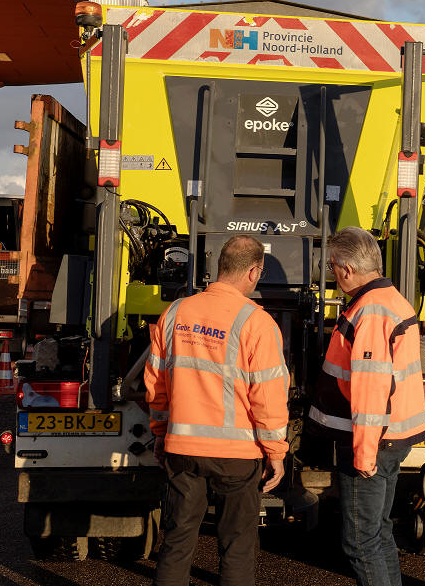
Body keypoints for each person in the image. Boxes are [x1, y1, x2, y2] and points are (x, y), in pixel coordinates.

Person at [145, 235, 290, 586]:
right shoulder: (258, 323)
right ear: (255, 272)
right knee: (237, 548)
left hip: (182, 449)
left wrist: (161, 435)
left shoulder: (175, 312)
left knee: (177, 543)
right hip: (237, 457)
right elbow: (268, 399)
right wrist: (276, 453)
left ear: (220, 266)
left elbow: (156, 384)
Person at [309, 226, 425, 586]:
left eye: (332, 266)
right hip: (393, 438)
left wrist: (363, 454)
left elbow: (371, 388)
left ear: (346, 269)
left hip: (373, 442)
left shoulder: (372, 312)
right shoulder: (389, 299)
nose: (332, 273)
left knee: (360, 542)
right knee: (378, 532)